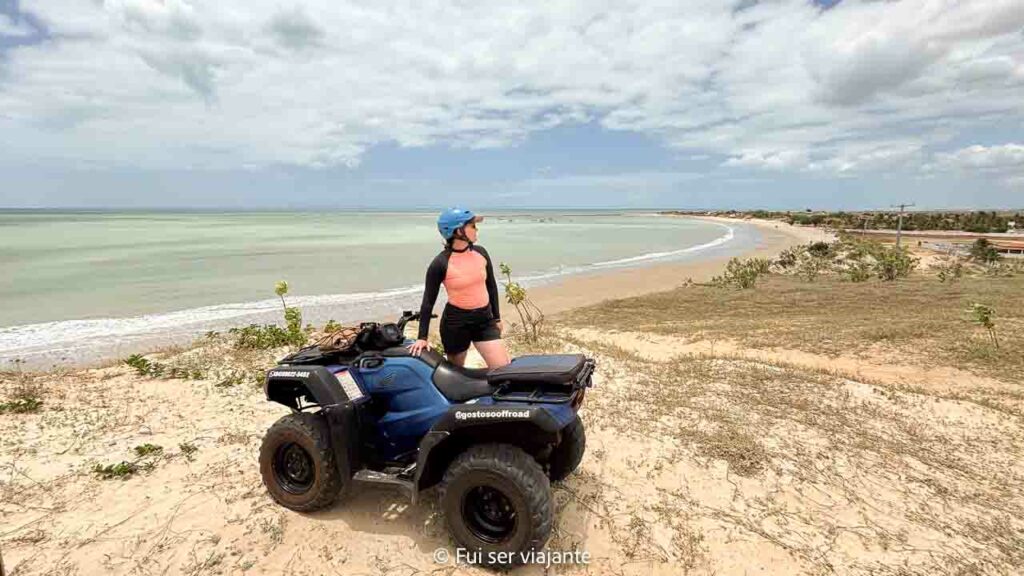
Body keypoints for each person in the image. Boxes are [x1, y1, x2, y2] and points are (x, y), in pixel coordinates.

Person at [407, 207, 511, 368]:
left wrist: (496, 318)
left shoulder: (481, 252)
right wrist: (422, 337)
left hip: (485, 320)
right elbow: (428, 301)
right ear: (457, 230)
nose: (477, 229)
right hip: (456, 324)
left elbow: (491, 286)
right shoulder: (440, 263)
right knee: (457, 376)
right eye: (472, 226)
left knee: (503, 368)